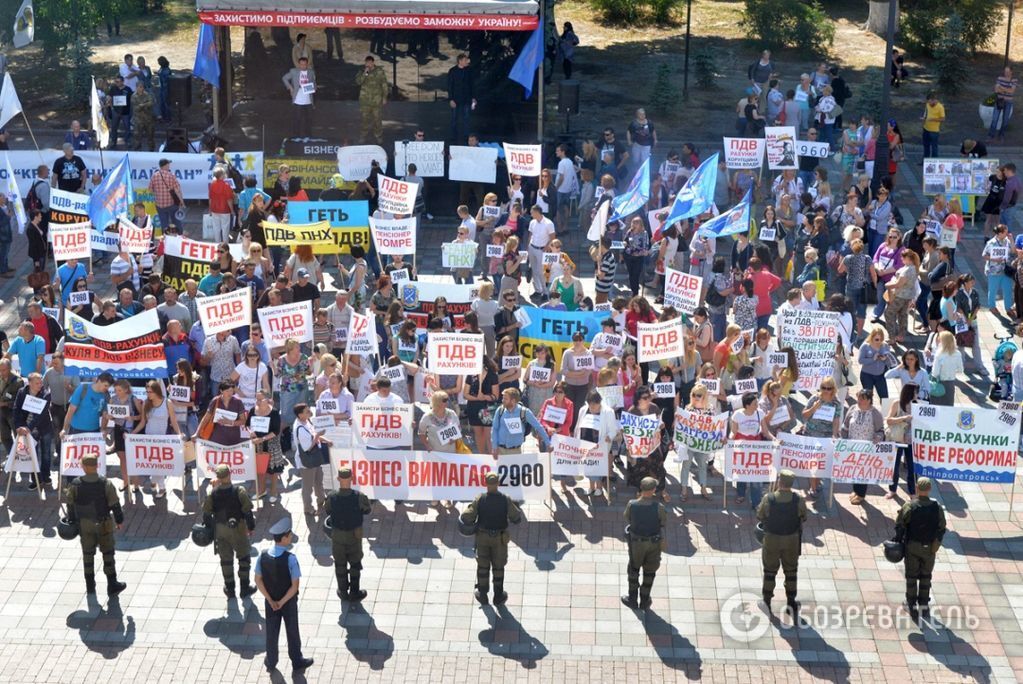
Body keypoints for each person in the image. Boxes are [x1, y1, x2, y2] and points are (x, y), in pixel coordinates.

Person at [255, 518, 314, 674]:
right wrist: (282, 602)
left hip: (271, 602)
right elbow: (294, 587)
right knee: (292, 631)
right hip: (287, 603)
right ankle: (296, 660)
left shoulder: (262, 556)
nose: (290, 538)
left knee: (271, 631)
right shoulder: (291, 559)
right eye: (289, 535)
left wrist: (270, 599)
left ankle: (271, 661)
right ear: (284, 538)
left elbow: (258, 580)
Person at [65, 454, 127, 595]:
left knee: (87, 554)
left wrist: (72, 521)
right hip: (103, 523)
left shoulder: (75, 484)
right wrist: (119, 521)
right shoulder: (106, 483)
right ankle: (112, 584)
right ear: (96, 466)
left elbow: (70, 504)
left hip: (84, 524)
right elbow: (115, 504)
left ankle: (90, 586)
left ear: (84, 467)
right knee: (108, 553)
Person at [460, 471, 522, 605]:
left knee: (483, 566)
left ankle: (483, 595)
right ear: (498, 483)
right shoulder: (505, 499)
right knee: (498, 567)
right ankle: (498, 596)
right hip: (499, 539)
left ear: (485, 483)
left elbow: (466, 517)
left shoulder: (480, 499)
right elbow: (516, 518)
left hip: (482, 537)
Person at [895, 477, 946, 618]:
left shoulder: (910, 506)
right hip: (929, 548)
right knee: (926, 576)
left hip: (912, 546)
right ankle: (924, 605)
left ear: (917, 488)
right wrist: (936, 544)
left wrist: (898, 539)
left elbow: (900, 524)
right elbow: (942, 527)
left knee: (911, 576)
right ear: (929, 489)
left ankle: (911, 604)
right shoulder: (937, 508)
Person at [202, 464, 256, 597]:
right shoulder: (239, 491)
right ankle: (244, 588)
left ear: (218, 477)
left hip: (221, 530)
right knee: (244, 557)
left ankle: (230, 589)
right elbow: (247, 511)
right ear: (229, 474)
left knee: (226, 560)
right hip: (238, 528)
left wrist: (210, 531)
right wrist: (251, 527)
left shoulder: (213, 493)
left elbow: (206, 513)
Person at [757, 469, 806, 614]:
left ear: (780, 482)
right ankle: (791, 603)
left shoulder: (769, 498)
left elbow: (760, 515)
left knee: (769, 572)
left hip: (772, 539)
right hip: (791, 539)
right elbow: (803, 516)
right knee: (791, 572)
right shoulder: (798, 499)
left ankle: (766, 602)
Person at [327, 466, 373, 602]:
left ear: (338, 479)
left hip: (338, 536)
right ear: (352, 479)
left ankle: (342, 591)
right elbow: (367, 511)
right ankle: (354, 591)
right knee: (355, 564)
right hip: (354, 536)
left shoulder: (331, 496)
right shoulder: (360, 497)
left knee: (340, 564)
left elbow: (328, 511)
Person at [621, 476, 667, 609]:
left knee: (633, 569)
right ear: (653, 490)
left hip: (636, 544)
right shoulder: (659, 507)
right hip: (653, 544)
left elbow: (627, 517)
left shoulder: (632, 504)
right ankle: (645, 600)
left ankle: (632, 598)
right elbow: (663, 522)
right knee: (650, 572)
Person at [356, 56, 388, 144]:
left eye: (370, 62)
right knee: (365, 120)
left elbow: (384, 85)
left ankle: (379, 137)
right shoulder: (362, 72)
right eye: (367, 62)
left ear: (373, 62)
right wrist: (365, 73)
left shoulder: (380, 72)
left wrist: (385, 97)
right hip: (365, 101)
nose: (368, 64)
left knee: (377, 120)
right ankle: (363, 137)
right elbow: (359, 82)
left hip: (376, 101)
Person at [282, 57, 315, 138]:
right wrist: (290, 87)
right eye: (301, 64)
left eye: (304, 64)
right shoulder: (294, 71)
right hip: (298, 100)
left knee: (308, 119)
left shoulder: (311, 72)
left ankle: (308, 136)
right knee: (297, 119)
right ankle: (296, 136)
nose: (303, 66)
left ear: (307, 64)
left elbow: (314, 84)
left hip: (308, 100)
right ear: (299, 64)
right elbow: (284, 78)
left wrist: (312, 88)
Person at [148, 159, 184, 233]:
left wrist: (158, 192)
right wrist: (181, 201)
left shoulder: (154, 175)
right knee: (176, 221)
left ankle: (165, 238)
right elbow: (177, 190)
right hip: (171, 203)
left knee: (164, 223)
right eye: (168, 164)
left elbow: (150, 190)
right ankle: (180, 236)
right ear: (166, 165)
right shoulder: (171, 175)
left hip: (159, 204)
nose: (169, 166)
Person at [447, 54, 475, 143]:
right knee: (454, 118)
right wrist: (451, 99)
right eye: (465, 60)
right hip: (456, 99)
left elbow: (472, 85)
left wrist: (473, 98)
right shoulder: (452, 71)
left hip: (466, 99)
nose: (467, 61)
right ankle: (453, 136)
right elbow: (449, 86)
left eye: (467, 60)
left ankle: (466, 136)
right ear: (460, 61)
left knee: (466, 118)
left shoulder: (469, 71)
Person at [990, 66, 1018, 141]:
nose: (1006, 73)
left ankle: (1001, 135)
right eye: (1005, 71)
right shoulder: (1000, 78)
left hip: (1008, 102)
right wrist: (1006, 90)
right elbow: (996, 90)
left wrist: (1001, 88)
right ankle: (991, 136)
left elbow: (1012, 91)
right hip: (999, 100)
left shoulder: (1014, 80)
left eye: (1008, 72)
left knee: (1005, 120)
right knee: (994, 119)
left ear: (1011, 72)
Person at [921, 91, 944, 159]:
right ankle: (925, 161)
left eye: (930, 102)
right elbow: (926, 113)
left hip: (934, 131)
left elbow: (943, 119)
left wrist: (932, 119)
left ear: (934, 100)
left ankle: (934, 162)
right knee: (926, 146)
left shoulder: (940, 107)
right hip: (926, 128)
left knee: (934, 147)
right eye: (928, 102)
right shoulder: (927, 104)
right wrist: (923, 119)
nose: (929, 103)